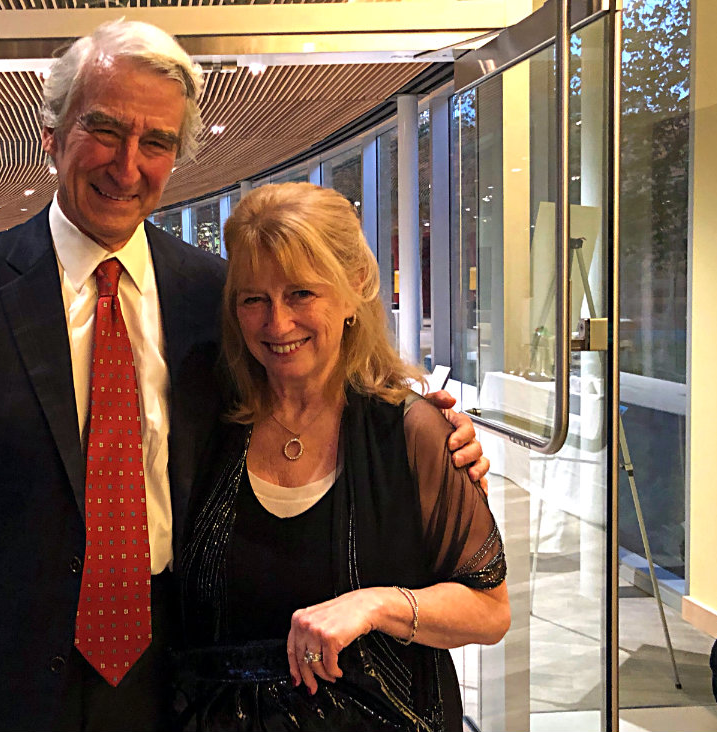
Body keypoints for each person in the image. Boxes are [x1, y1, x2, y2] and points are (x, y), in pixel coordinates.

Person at [0, 20, 489, 732]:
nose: (128, 165)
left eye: (155, 142)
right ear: (52, 132)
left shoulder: (212, 296)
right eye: (104, 129)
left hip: (172, 683)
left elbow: (305, 396)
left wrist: (433, 433)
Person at [177, 182, 510, 732]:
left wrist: (378, 605)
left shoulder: (414, 431)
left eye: (301, 294)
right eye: (253, 299)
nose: (277, 324)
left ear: (355, 288)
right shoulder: (206, 423)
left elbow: (490, 610)